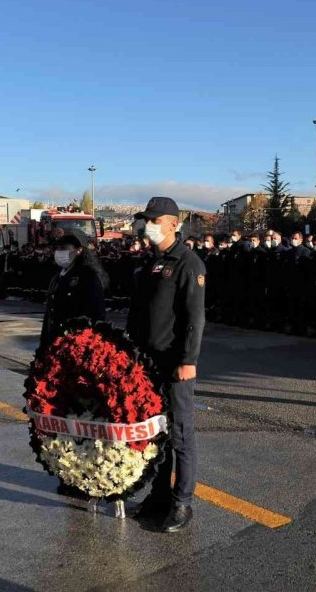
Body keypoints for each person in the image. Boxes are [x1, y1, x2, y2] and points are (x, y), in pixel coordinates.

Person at [127, 197, 206, 533]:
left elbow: (194, 317)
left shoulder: (188, 262)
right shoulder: (151, 263)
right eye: (146, 219)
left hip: (174, 362)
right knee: (156, 432)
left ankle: (182, 501)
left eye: (154, 219)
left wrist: (188, 360)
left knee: (180, 432)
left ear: (173, 223)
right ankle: (158, 495)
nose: (149, 224)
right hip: (148, 361)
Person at [39, 230, 109, 350]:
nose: (60, 251)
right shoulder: (58, 276)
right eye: (58, 248)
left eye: (64, 247)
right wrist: (43, 345)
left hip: (75, 343)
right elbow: (49, 315)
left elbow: (96, 314)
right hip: (55, 341)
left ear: (79, 250)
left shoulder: (88, 277)